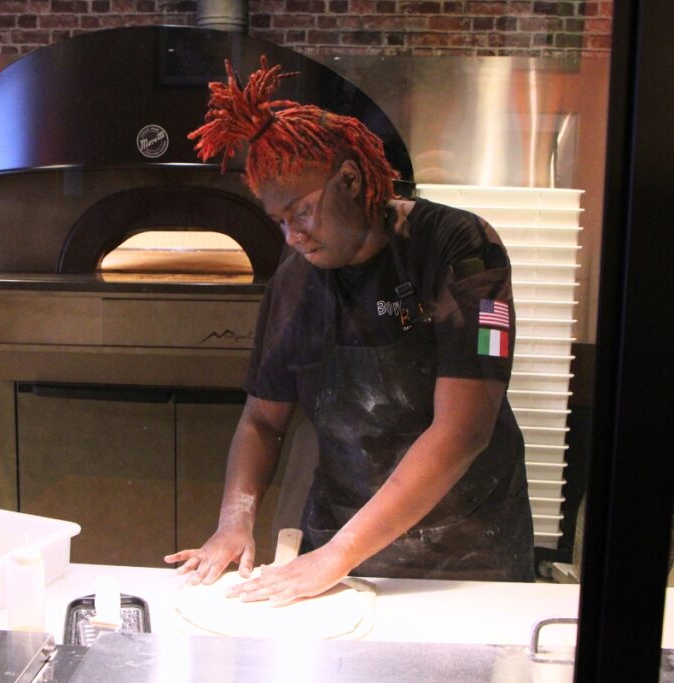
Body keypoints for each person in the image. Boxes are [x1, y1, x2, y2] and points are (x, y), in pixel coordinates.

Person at [164, 58, 535, 602]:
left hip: (466, 554)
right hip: (338, 549)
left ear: (351, 180)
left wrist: (336, 556)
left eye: (302, 211)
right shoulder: (295, 283)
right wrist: (234, 521)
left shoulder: (457, 246)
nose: (292, 237)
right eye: (280, 221)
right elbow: (262, 422)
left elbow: (463, 431)